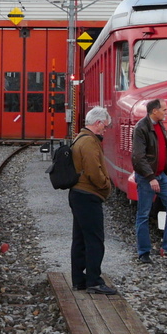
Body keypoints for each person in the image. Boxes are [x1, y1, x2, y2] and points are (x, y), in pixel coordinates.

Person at [68, 107, 116, 294]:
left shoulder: (81, 138)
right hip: (88, 195)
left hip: (79, 194)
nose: (106, 130)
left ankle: (79, 280)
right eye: (105, 126)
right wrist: (106, 185)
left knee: (80, 239)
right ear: (98, 123)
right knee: (95, 240)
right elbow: (93, 171)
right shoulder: (89, 142)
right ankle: (94, 281)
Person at [132, 98, 167, 264]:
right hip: (148, 178)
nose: (166, 112)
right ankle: (143, 252)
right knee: (144, 214)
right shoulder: (142, 128)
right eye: (164, 109)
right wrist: (150, 178)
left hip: (161, 175)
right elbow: (138, 157)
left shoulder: (159, 125)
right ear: (154, 111)